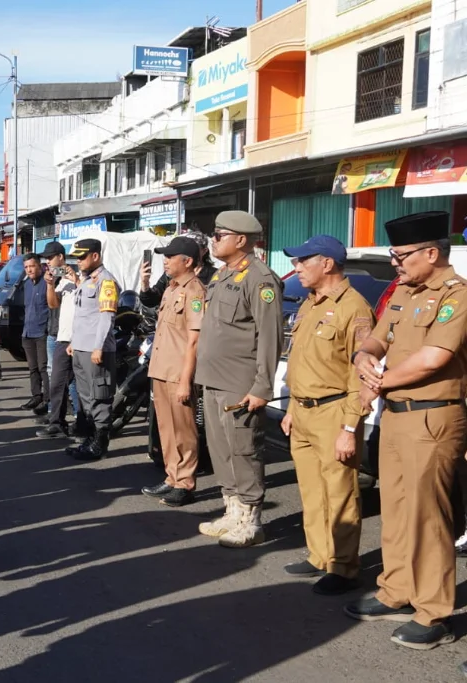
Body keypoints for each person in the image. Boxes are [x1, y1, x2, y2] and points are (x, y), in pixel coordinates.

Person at [348, 211, 467, 651]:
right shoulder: (403, 292)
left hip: (433, 417)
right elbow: (378, 339)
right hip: (396, 415)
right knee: (396, 508)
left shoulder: (456, 296)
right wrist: (364, 356)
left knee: (428, 516)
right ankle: (396, 590)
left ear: (430, 253)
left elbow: (434, 357)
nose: (395, 264)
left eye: (400, 256)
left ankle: (434, 611)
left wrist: (379, 380)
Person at [277, 235, 373, 596]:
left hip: (334, 411)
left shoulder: (355, 308)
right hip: (302, 410)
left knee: (341, 493)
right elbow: (302, 363)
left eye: (303, 261)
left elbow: (360, 376)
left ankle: (344, 567)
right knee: (312, 491)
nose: (296, 267)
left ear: (327, 264)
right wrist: (290, 408)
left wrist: (350, 427)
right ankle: (320, 555)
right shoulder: (310, 303)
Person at [194, 210, 283, 549]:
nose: (213, 240)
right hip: (214, 379)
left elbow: (270, 337)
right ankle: (232, 510)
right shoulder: (221, 276)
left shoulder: (260, 279)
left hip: (240, 383)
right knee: (221, 450)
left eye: (219, 235)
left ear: (241, 240)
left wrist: (262, 386)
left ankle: (250, 520)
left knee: (244, 450)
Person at [141, 236, 206, 508]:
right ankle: (172, 476)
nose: (165, 261)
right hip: (161, 367)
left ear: (187, 261)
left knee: (184, 430)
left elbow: (194, 340)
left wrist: (185, 379)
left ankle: (186, 482)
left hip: (178, 371)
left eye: (170, 256)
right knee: (166, 429)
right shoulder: (170, 288)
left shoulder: (195, 291)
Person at [65, 238, 121, 461]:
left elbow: (106, 318)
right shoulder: (87, 281)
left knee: (100, 395)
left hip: (96, 350)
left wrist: (98, 347)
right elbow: (82, 317)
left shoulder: (105, 281)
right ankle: (90, 438)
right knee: (86, 396)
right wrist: (73, 342)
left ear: (95, 256)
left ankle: (100, 442)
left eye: (82, 257)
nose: (78, 261)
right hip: (80, 348)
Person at [37, 263, 78, 438]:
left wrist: (77, 280)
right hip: (63, 338)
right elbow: (53, 304)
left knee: (81, 386)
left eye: (82, 257)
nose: (80, 261)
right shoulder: (64, 282)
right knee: (57, 382)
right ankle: (57, 423)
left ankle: (84, 424)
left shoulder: (92, 280)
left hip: (82, 340)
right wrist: (50, 284)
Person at [140, 229, 215, 306]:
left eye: (193, 248)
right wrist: (145, 283)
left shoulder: (215, 276)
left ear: (205, 251)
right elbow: (151, 300)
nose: (165, 261)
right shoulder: (171, 274)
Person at [21, 253, 50, 416]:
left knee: (43, 368)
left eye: (32, 266)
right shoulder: (27, 284)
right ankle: (36, 396)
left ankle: (47, 400)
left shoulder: (47, 283)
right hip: (28, 332)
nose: (29, 270)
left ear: (40, 266)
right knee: (32, 368)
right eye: (26, 267)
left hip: (42, 332)